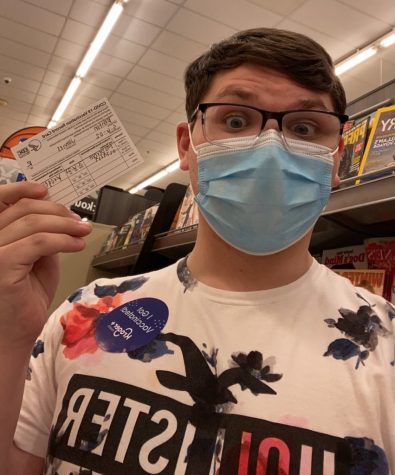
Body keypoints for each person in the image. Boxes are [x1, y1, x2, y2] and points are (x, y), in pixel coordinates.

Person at [1, 28, 394, 475]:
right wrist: (8, 338)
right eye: (234, 120)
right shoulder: (84, 314)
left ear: (337, 158)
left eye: (304, 127)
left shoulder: (386, 350)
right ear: (187, 144)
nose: (269, 148)